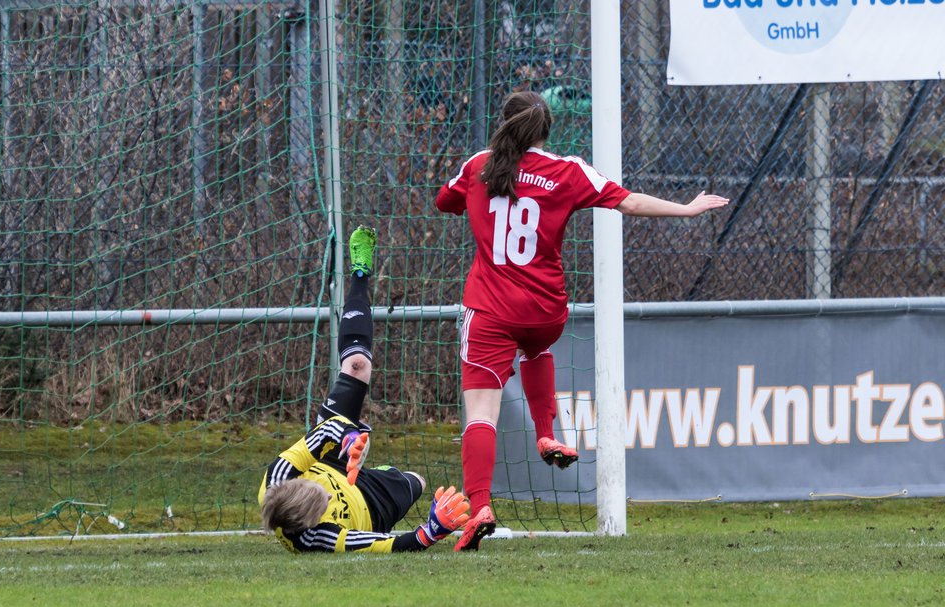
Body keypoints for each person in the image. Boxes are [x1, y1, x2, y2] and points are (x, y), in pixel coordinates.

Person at [436, 89, 728, 551]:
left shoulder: (480, 166)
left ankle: (481, 505)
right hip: (545, 310)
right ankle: (548, 434)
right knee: (537, 347)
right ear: (546, 130)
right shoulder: (567, 172)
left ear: (504, 124)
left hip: (491, 310)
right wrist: (686, 209)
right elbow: (628, 202)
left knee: (481, 414)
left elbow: (443, 202)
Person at [259, 226, 470, 553]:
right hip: (368, 504)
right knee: (418, 481)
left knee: (357, 363)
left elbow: (318, 436)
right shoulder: (319, 538)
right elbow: (388, 544)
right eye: (324, 504)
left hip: (329, 461)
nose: (328, 496)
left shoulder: (280, 474)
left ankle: (360, 274)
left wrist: (346, 436)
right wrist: (433, 530)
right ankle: (384, 474)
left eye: (320, 494)